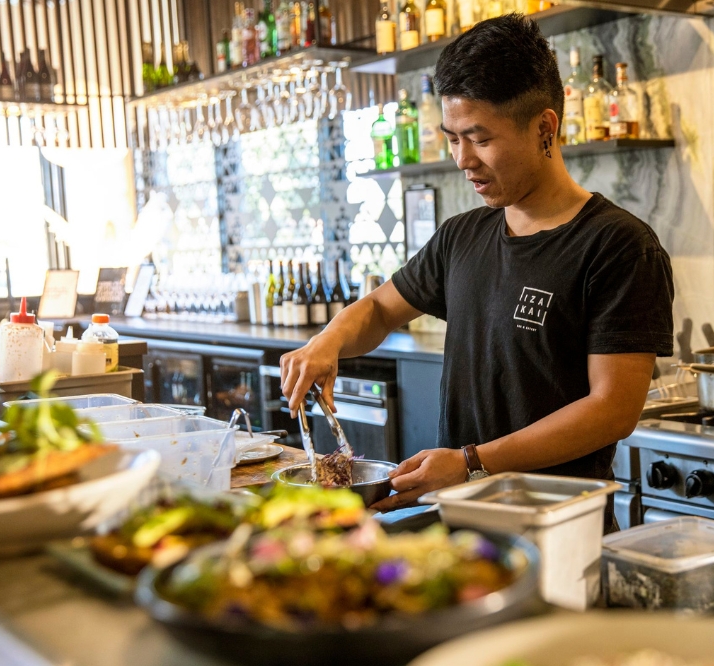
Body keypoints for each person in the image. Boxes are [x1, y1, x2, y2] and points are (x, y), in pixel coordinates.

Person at [280, 14, 675, 513]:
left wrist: (472, 462)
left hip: (557, 526)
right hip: (461, 519)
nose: (462, 159)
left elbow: (612, 410)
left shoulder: (618, 245)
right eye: (452, 138)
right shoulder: (462, 235)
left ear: (544, 128)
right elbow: (380, 309)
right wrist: (327, 341)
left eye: (480, 138)